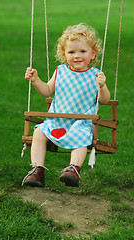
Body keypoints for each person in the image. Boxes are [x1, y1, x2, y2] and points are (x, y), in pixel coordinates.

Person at [22, 23, 111, 188]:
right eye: (71, 52)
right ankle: (37, 170)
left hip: (81, 122)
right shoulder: (60, 71)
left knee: (82, 138)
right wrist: (36, 80)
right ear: (64, 54)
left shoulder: (95, 75)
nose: (77, 56)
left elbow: (105, 100)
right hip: (57, 121)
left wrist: (103, 86)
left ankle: (73, 169)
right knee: (39, 133)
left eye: (82, 51)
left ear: (93, 54)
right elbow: (47, 90)